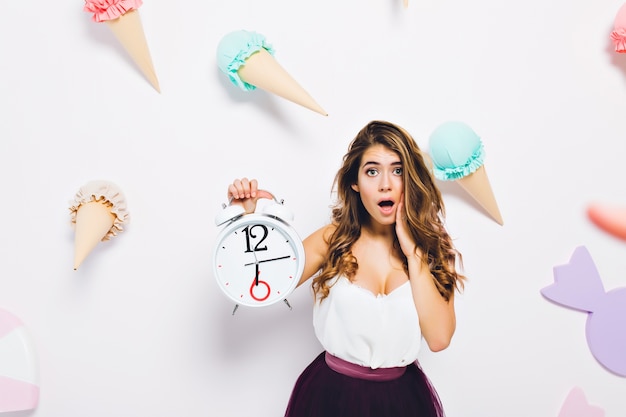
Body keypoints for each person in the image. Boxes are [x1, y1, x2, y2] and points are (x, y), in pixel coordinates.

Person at [226, 120, 465, 417]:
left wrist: (414, 253)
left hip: (403, 402)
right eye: (372, 171)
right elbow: (259, 287)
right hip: (330, 398)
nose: (385, 184)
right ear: (355, 182)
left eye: (398, 170)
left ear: (411, 178)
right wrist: (250, 223)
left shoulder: (433, 251)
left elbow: (439, 339)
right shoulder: (332, 240)